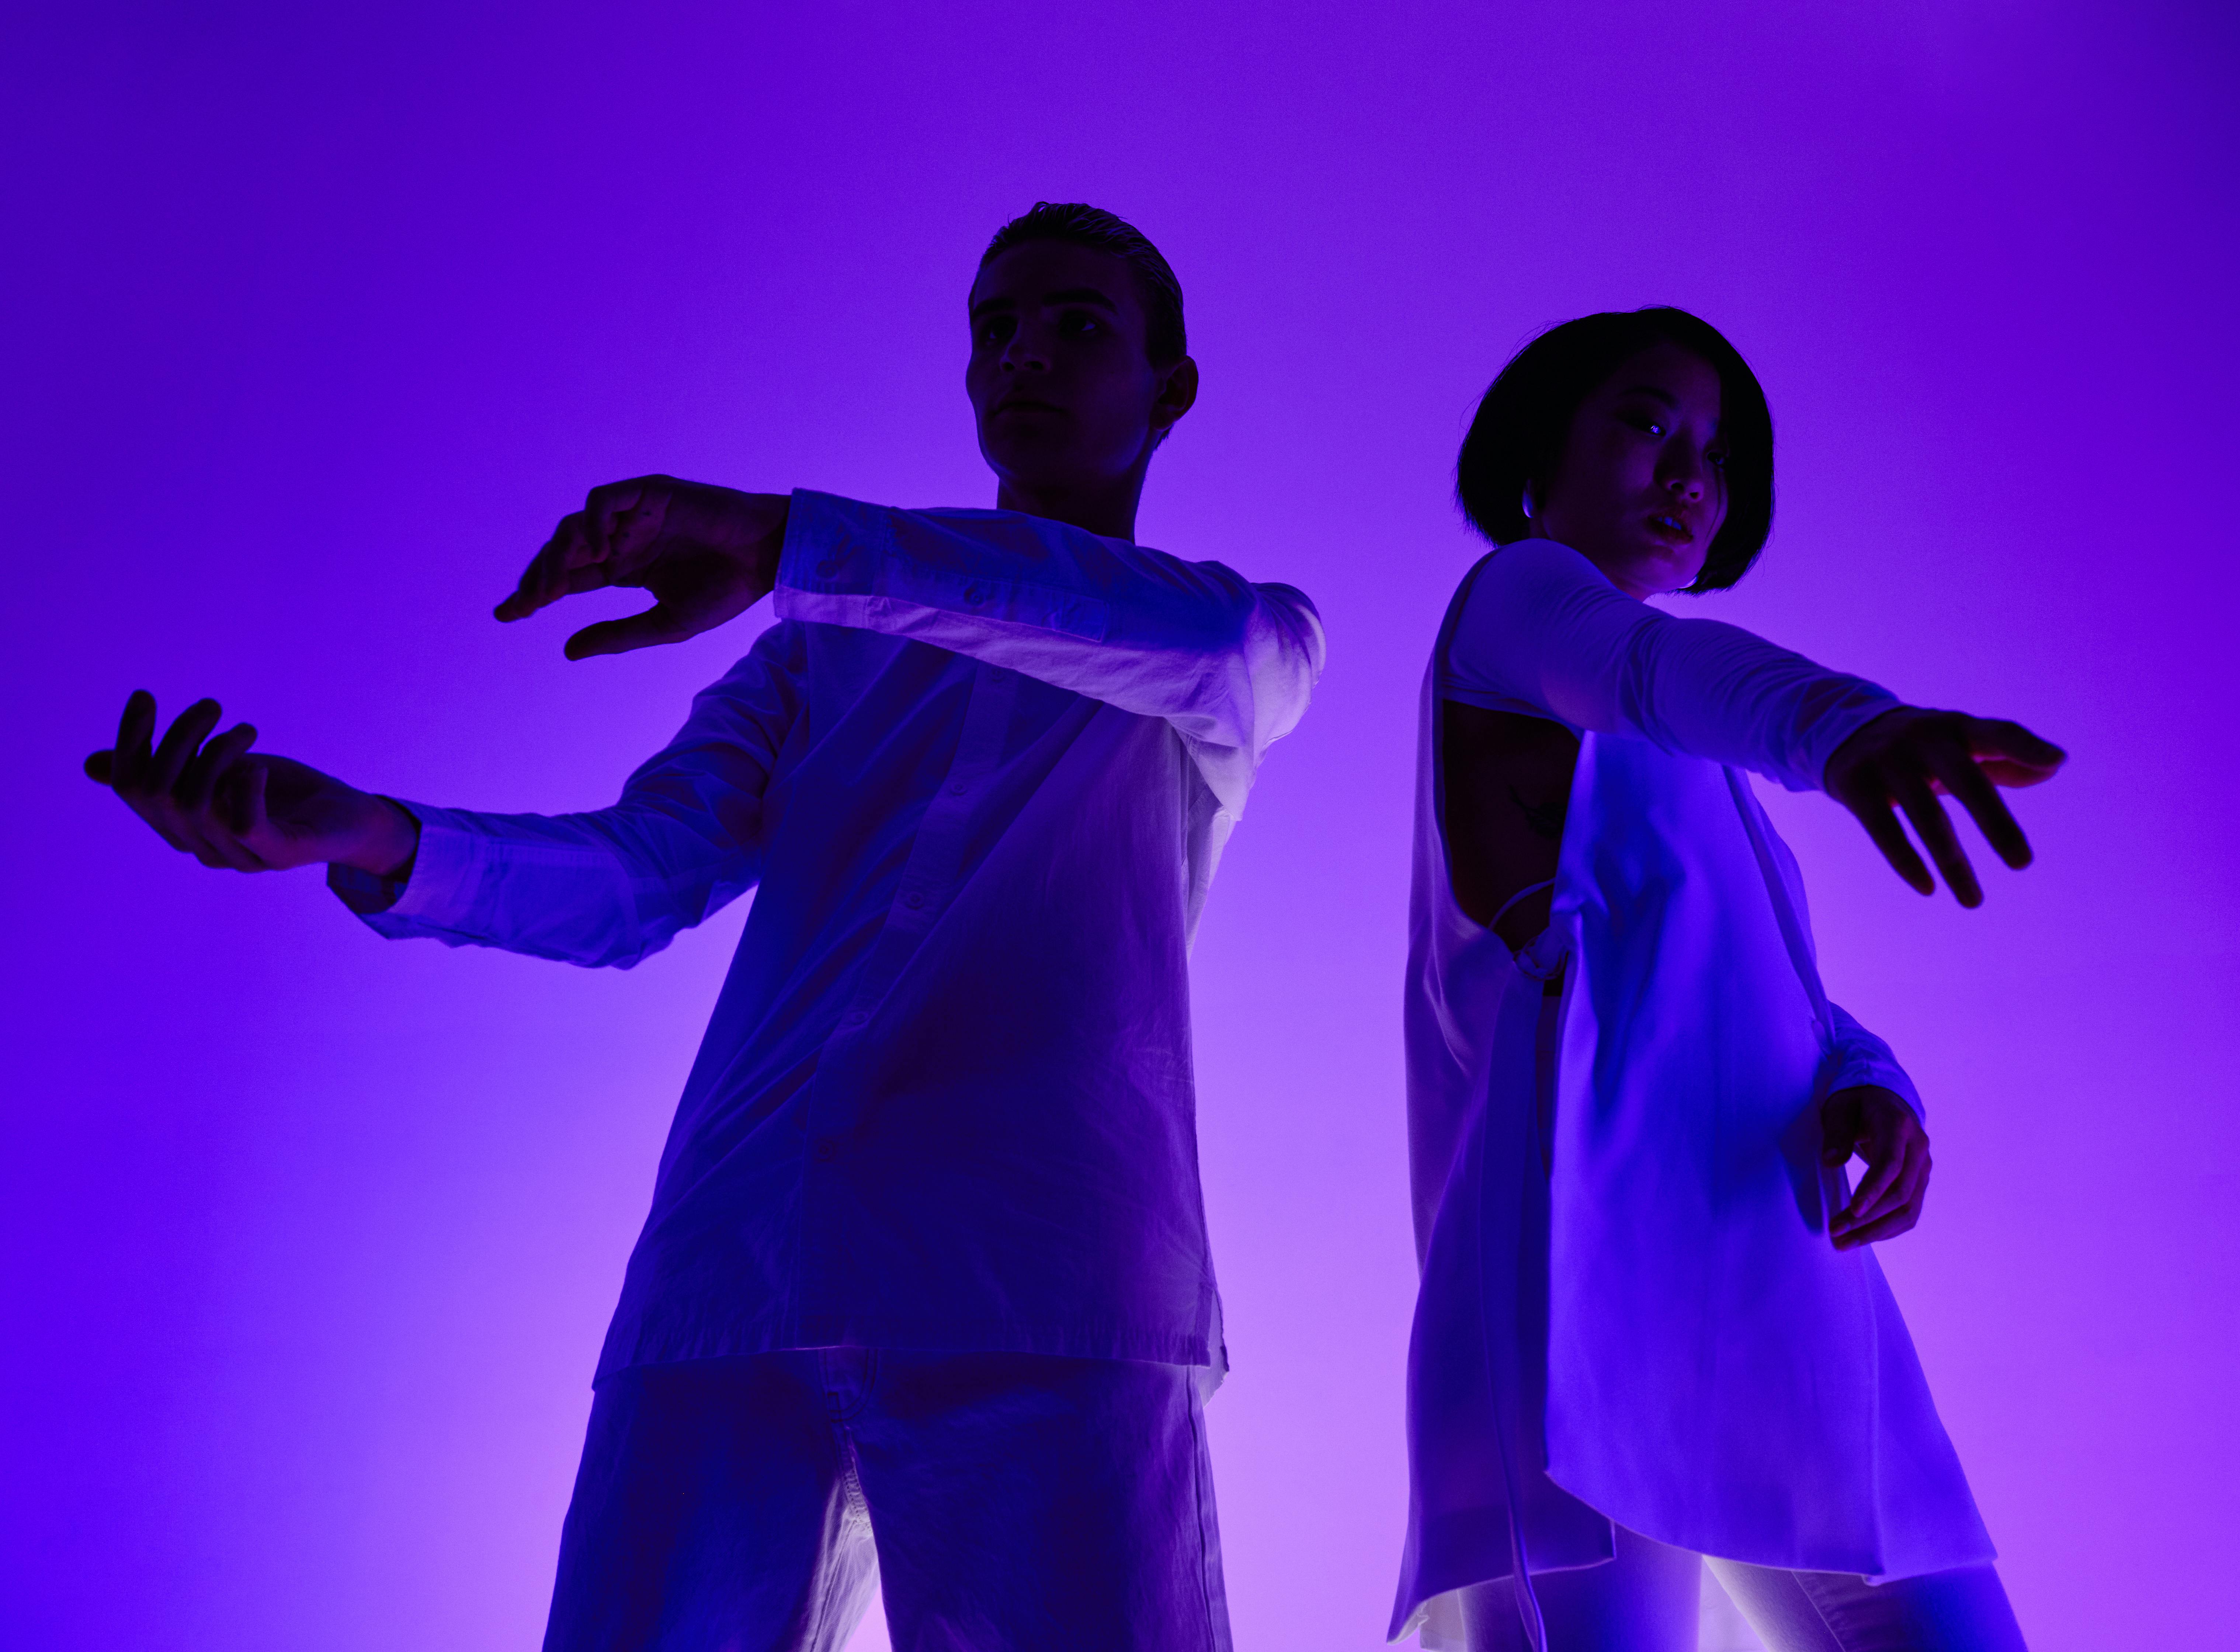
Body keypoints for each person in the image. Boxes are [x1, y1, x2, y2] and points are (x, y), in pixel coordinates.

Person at [84, 202, 1323, 1652]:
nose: (1021, 356)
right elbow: (640, 874)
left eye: (1076, 325)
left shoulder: (1237, 641)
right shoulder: (822, 646)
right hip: (732, 1280)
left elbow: (1200, 643)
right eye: (993, 328)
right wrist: (370, 834)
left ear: (1171, 386)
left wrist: (781, 536)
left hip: (1040, 1292)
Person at [1392, 307, 2064, 1652]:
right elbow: (1648, 666)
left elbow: (1766, 985)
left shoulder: (1693, 757)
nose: (1691, 474)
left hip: (1780, 1271)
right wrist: (1845, 724)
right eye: (1647, 423)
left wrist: (1868, 1080)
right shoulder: (1518, 601)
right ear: (1543, 449)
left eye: (1719, 451)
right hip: (1583, 1287)